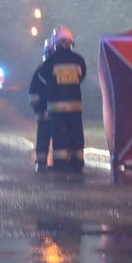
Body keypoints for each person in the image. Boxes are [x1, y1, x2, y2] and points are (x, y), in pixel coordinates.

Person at [37, 26, 86, 172]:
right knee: (76, 135)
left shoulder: (50, 61)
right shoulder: (78, 60)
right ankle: (78, 163)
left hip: (56, 107)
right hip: (75, 106)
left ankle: (61, 164)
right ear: (71, 42)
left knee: (60, 136)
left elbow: (42, 78)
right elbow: (82, 76)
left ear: (55, 44)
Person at [28, 37, 55, 173]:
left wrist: (38, 110)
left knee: (44, 137)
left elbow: (33, 94)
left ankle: (42, 162)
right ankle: (59, 164)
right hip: (57, 114)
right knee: (61, 139)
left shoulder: (41, 71)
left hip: (46, 112)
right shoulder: (44, 71)